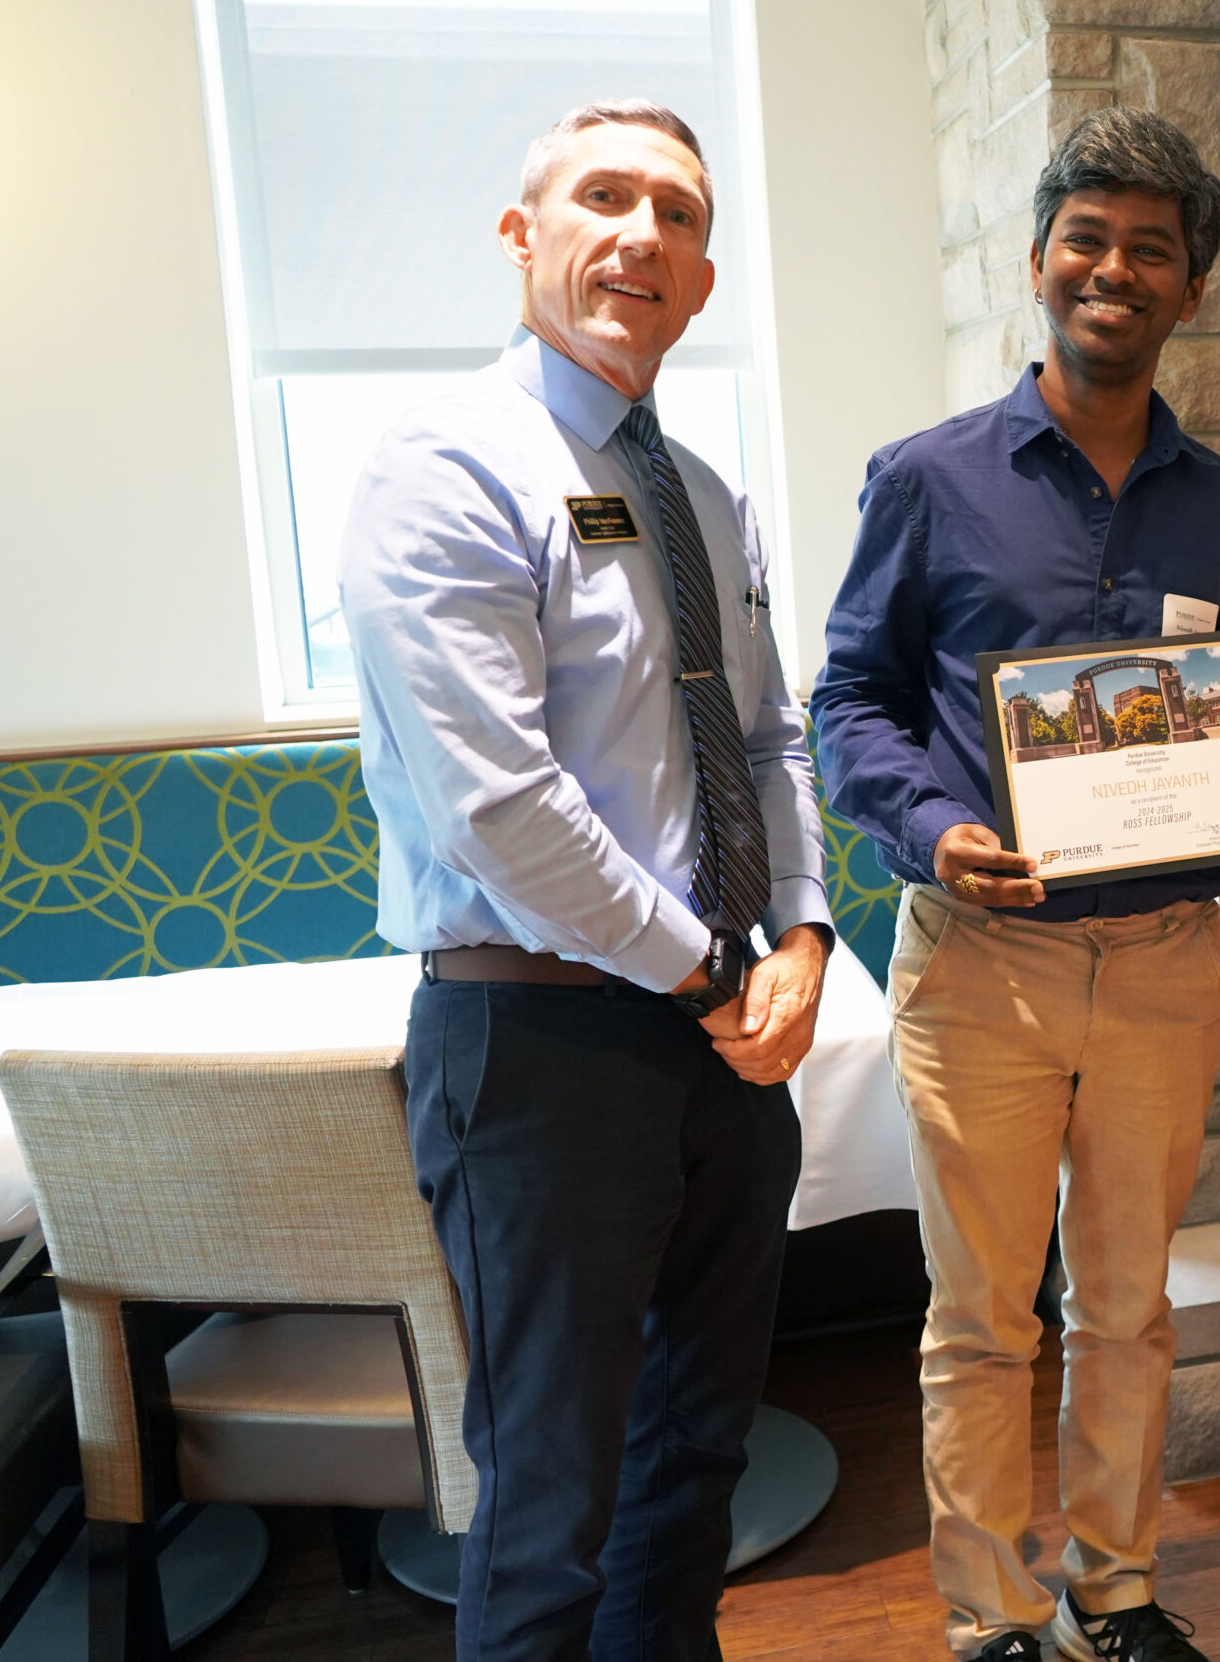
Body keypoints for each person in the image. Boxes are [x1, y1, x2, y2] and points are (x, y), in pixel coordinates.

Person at [337, 101, 832, 1661]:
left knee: (697, 1460)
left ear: (700, 280)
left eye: (678, 215)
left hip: (725, 1035)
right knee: (550, 1503)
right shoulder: (443, 471)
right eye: (603, 198)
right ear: (522, 236)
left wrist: (808, 931)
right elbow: (502, 810)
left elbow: (768, 734)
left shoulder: (701, 489)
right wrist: (710, 968)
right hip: (541, 1046)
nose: (643, 236)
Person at [812, 108, 1220, 1662]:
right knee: (980, 1319)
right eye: (1087, 238)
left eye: (1151, 249)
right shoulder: (929, 479)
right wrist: (928, 825)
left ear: (1193, 289)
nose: (1114, 269)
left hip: (1166, 953)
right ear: (1039, 262)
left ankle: (1119, 1582)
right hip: (981, 958)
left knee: (1130, 1306)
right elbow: (850, 702)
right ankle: (992, 1617)